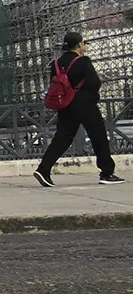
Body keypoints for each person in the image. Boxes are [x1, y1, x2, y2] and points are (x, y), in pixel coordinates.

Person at [35, 31, 121, 186]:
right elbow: (94, 82)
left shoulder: (56, 63)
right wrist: (91, 97)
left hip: (65, 105)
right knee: (98, 136)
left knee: (63, 137)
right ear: (79, 44)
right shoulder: (83, 61)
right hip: (85, 104)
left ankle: (43, 169)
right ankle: (106, 173)